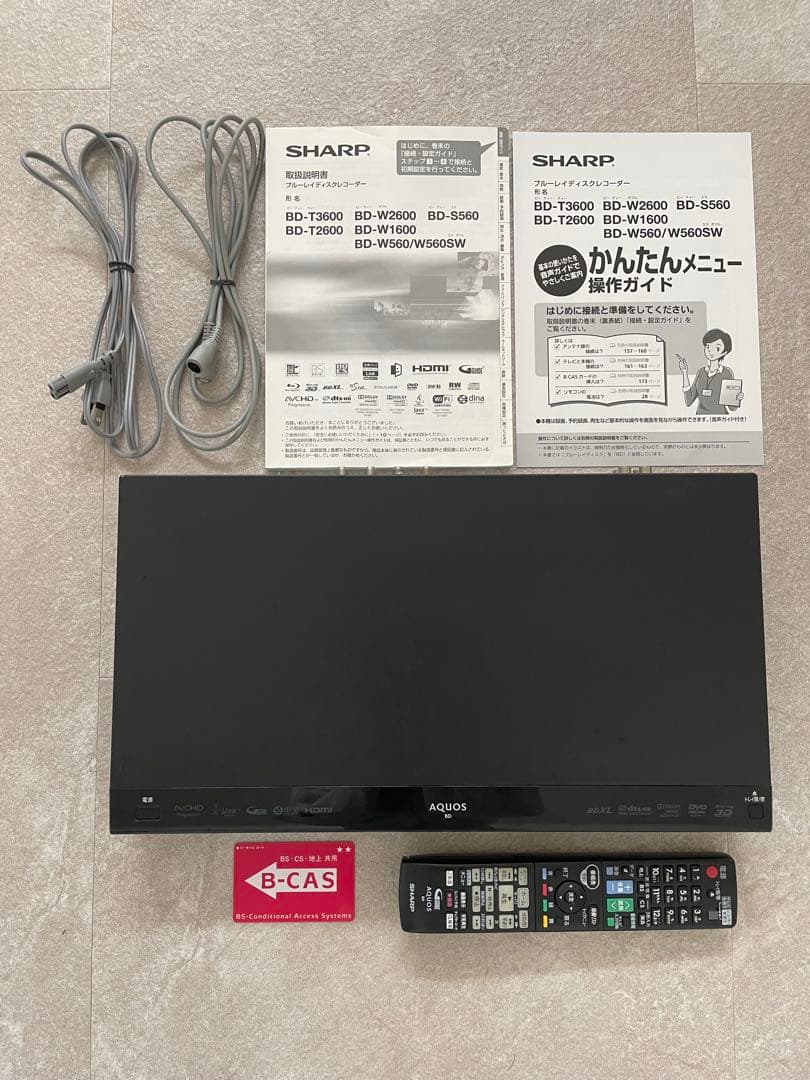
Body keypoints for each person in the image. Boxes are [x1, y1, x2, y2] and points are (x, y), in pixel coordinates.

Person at [678, 329, 743, 415]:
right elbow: (689, 401)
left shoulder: (726, 373)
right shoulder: (701, 372)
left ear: (724, 352)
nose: (710, 351)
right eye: (708, 346)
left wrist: (737, 398)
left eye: (717, 348)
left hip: (720, 417)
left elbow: (732, 408)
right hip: (700, 418)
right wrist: (684, 373)